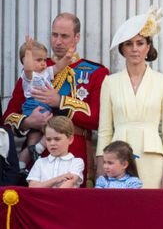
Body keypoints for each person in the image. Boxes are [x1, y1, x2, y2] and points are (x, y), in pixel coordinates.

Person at [2, 13, 108, 186]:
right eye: (54, 35)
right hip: (37, 159)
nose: (58, 42)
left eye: (64, 36)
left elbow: (98, 119)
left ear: (77, 37)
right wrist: (28, 122)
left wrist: (60, 102)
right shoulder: (35, 70)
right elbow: (7, 117)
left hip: (74, 152)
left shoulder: (95, 72)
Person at [96, 6, 163, 189]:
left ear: (148, 47)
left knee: (151, 211)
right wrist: (101, 168)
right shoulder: (109, 82)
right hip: (117, 158)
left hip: (153, 158)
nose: (134, 49)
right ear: (122, 49)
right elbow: (104, 130)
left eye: (140, 43)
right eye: (129, 44)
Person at [16, 37, 74, 169]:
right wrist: (29, 51)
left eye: (44, 59)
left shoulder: (46, 72)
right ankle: (39, 149)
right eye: (39, 60)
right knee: (52, 127)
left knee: (33, 139)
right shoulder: (28, 75)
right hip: (34, 106)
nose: (43, 63)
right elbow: (29, 67)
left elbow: (59, 66)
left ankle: (22, 165)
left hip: (44, 107)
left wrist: (68, 56)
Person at [27, 116, 83, 188]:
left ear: (70, 139)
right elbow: (32, 187)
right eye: (48, 139)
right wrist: (56, 180)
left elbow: (68, 185)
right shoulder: (40, 163)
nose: (52, 143)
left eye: (57, 139)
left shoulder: (76, 162)